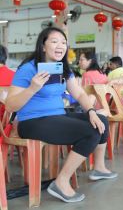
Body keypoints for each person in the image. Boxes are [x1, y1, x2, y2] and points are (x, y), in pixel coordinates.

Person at [5, 27, 117, 203]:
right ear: (43, 46)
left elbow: (79, 94)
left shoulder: (62, 69)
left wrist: (92, 112)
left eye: (64, 42)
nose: (60, 46)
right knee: (91, 132)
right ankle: (61, 181)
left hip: (57, 115)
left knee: (100, 120)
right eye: (54, 41)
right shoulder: (28, 68)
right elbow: (10, 105)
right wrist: (32, 88)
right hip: (32, 121)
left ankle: (100, 168)